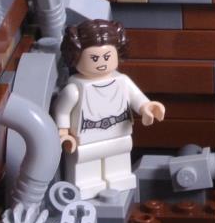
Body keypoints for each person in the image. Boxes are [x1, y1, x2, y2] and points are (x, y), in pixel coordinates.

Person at [52, 19, 165, 198]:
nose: (101, 63)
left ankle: (119, 179)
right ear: (76, 57)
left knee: (118, 163)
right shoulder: (74, 89)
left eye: (107, 57)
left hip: (119, 135)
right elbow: (62, 111)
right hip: (85, 140)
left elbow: (136, 98)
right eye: (94, 58)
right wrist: (63, 132)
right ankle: (87, 185)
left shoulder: (122, 81)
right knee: (86, 165)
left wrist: (147, 107)